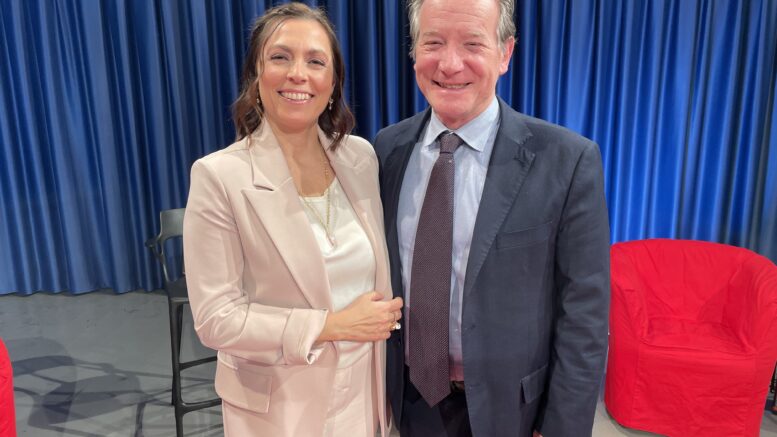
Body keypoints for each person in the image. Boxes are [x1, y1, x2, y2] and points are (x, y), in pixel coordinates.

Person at [374, 0, 610, 436]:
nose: (450, 64)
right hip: (409, 400)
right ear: (414, 53)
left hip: (513, 412)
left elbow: (585, 315)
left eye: (472, 44)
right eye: (433, 43)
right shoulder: (386, 149)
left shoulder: (568, 160)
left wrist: (561, 427)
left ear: (505, 53)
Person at [183, 3, 402, 436]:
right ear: (257, 74)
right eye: (280, 57)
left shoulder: (361, 158)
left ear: (333, 82)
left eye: (315, 62)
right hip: (281, 409)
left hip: (364, 397)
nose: (298, 74)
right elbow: (216, 318)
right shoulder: (219, 175)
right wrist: (330, 326)